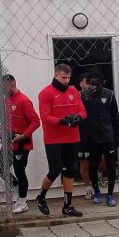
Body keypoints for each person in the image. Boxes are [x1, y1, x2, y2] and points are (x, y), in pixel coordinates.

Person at [36, 63, 86, 217]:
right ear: (56, 75)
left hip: (71, 138)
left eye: (69, 78)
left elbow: (83, 111)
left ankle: (68, 206)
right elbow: (45, 117)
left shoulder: (73, 91)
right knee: (55, 170)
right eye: (64, 77)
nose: (66, 81)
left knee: (69, 171)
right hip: (54, 139)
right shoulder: (46, 93)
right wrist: (63, 121)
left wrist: (77, 118)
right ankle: (41, 197)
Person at [78, 72, 119, 207]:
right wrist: (82, 138)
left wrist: (118, 135)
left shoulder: (109, 94)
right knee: (93, 164)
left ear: (101, 83)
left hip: (107, 136)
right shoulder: (83, 95)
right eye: (91, 84)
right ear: (88, 83)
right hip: (91, 137)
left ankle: (110, 194)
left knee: (110, 164)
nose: (94, 87)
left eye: (97, 84)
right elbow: (80, 117)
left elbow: (115, 115)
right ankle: (96, 192)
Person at [4, 74, 40, 214]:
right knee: (1, 169)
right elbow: (8, 119)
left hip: (21, 144)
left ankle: (23, 202)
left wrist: (23, 135)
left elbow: (36, 121)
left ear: (11, 84)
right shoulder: (7, 100)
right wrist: (1, 129)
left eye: (3, 87)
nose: (2, 90)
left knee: (19, 171)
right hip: (9, 142)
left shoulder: (24, 101)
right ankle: (18, 194)